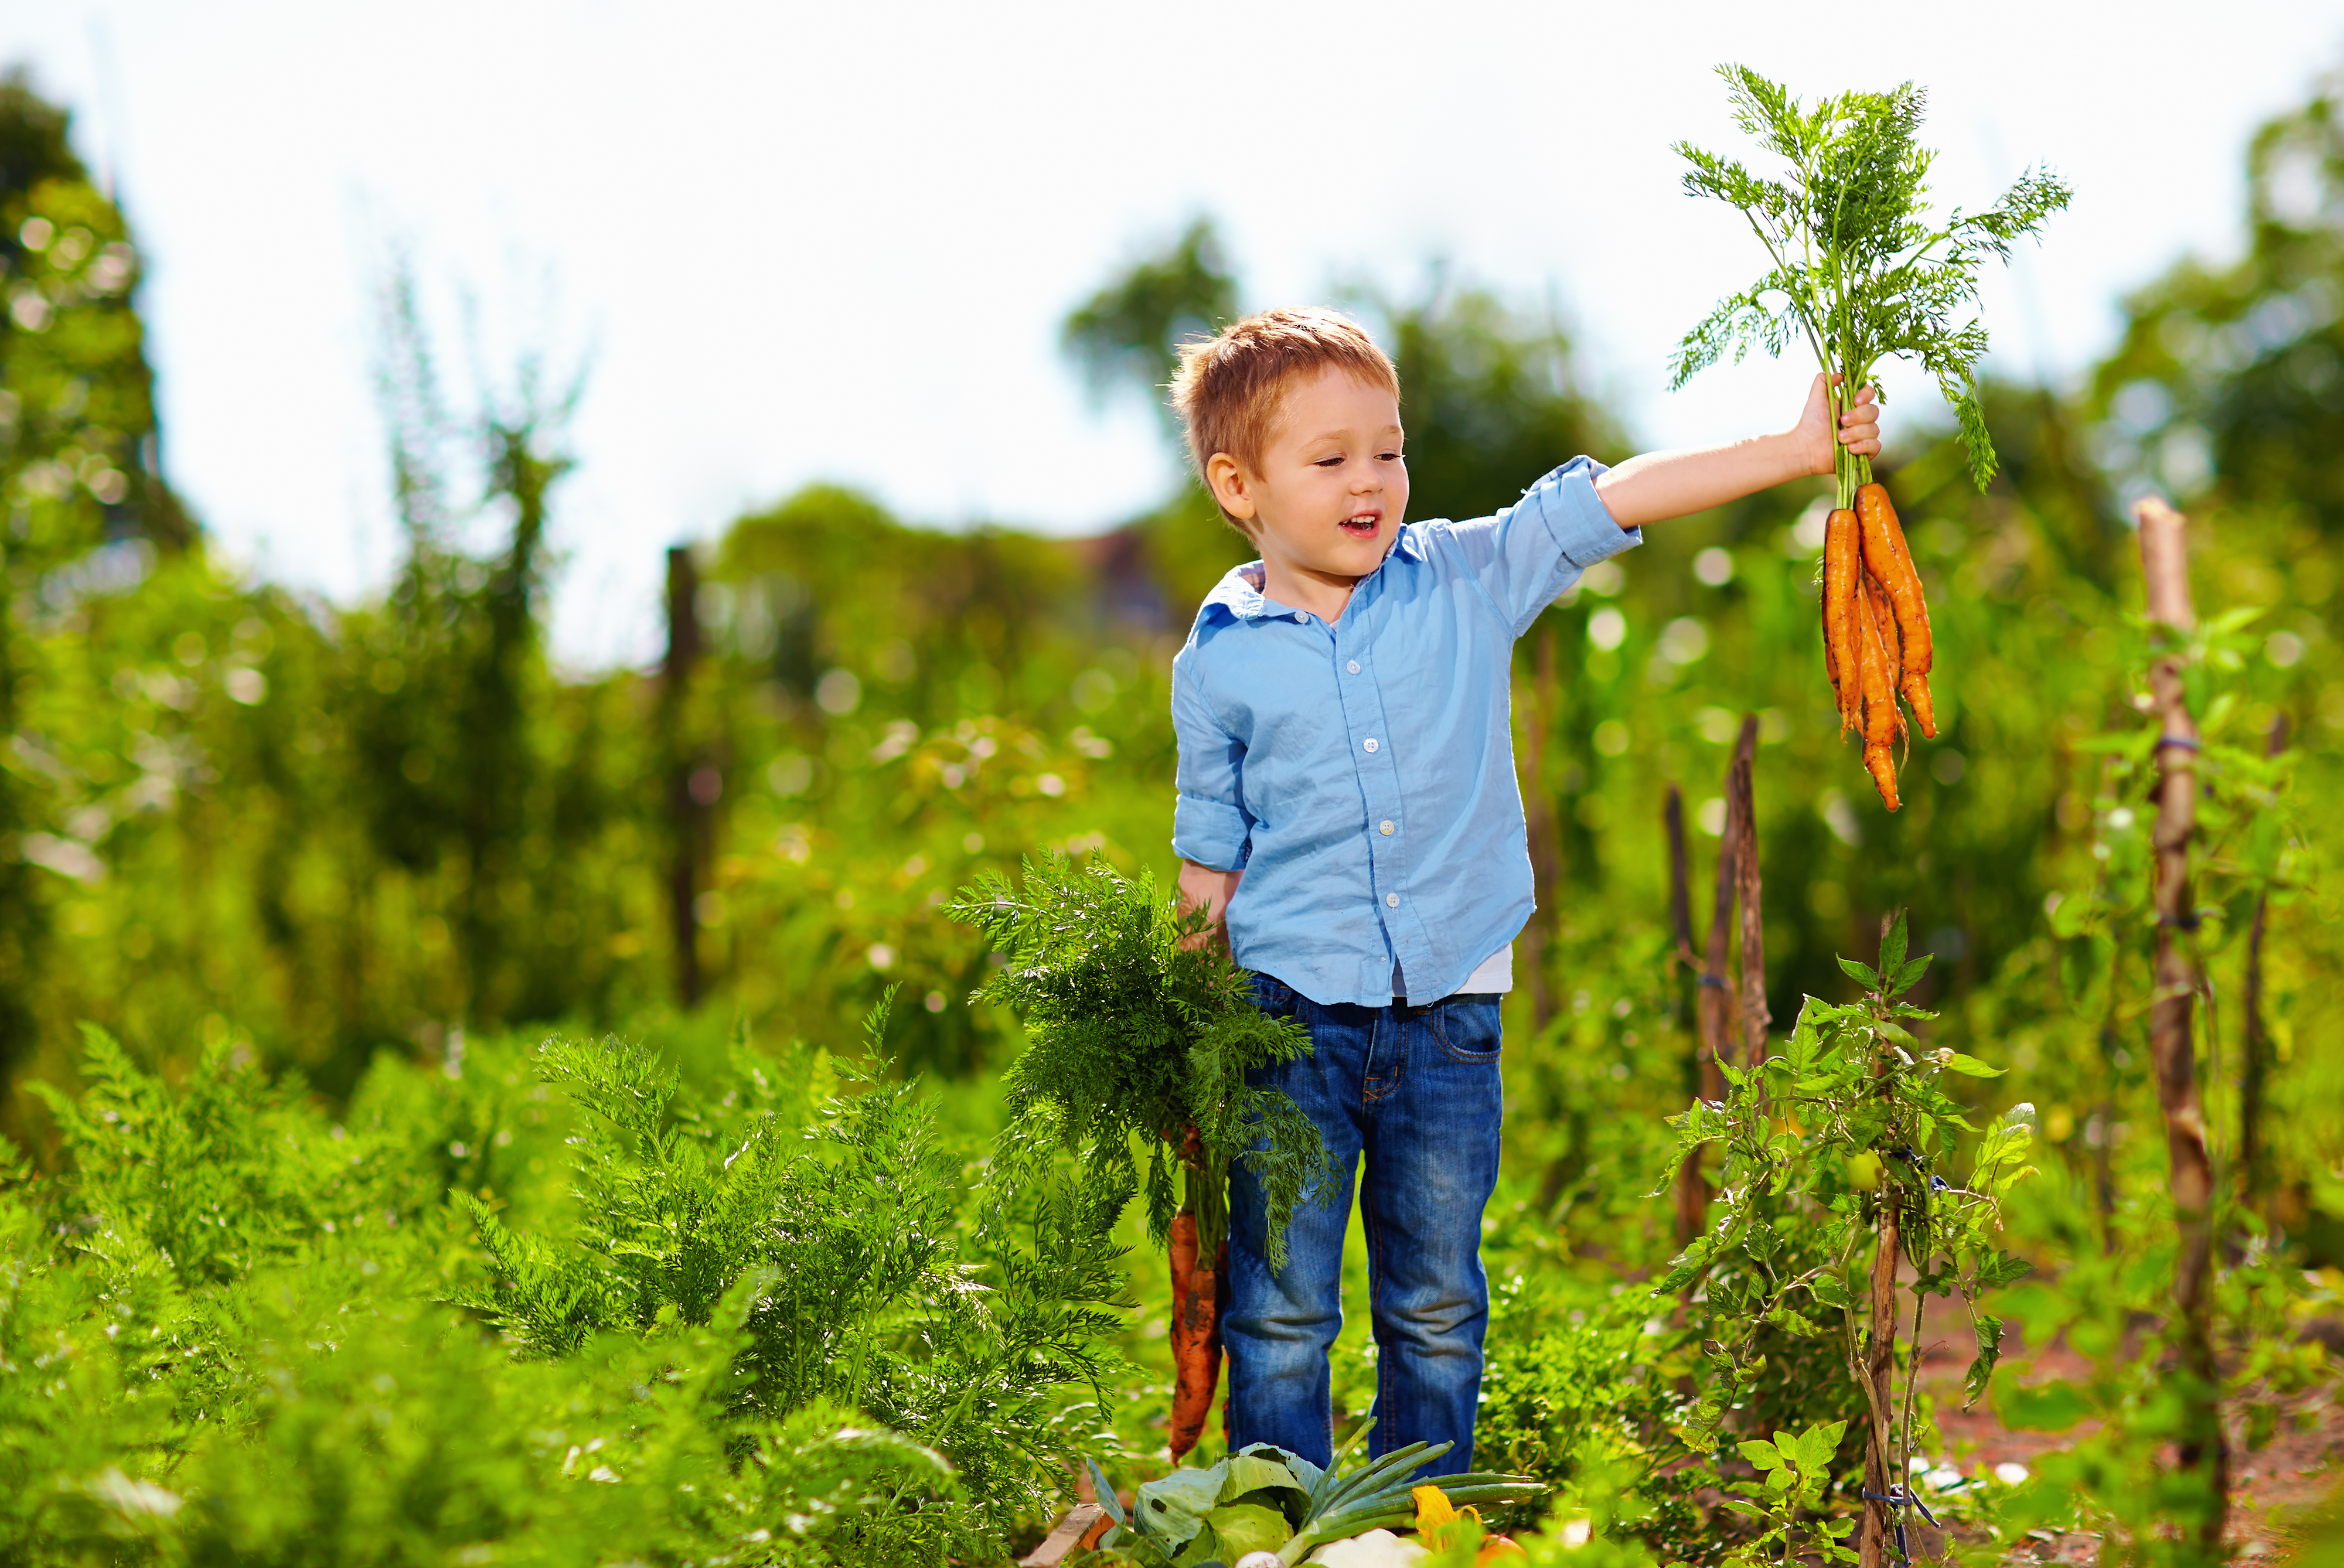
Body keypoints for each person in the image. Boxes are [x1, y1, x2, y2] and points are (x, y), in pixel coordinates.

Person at [1166, 306, 1880, 1472]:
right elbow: (1211, 849)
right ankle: (1282, 1525)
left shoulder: (1463, 576)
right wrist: (1186, 1023)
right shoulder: (1217, 658)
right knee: (1278, 1311)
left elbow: (1614, 497)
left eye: (1388, 450)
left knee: (1436, 1302)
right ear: (1239, 484)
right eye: (1331, 458)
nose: (1372, 481)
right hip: (1285, 1019)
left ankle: (1418, 1523)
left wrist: (1796, 451)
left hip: (1449, 1011)